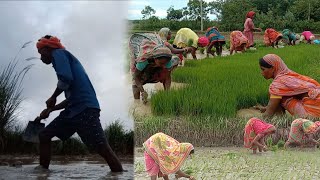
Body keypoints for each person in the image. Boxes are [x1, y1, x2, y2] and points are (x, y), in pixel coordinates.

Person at [34, 35, 123, 172]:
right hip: (74, 110)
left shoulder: (58, 53)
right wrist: (51, 109)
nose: (41, 58)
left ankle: (118, 173)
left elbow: (66, 78)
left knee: (102, 148)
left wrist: (53, 97)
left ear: (47, 49)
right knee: (44, 135)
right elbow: (71, 98)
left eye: (41, 53)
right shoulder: (65, 60)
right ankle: (42, 172)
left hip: (85, 110)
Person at [256, 54, 320, 118]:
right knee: (278, 95)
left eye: (263, 69)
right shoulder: (290, 75)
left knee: (276, 94)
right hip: (316, 105)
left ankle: (280, 118)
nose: (262, 73)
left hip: (313, 113)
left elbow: (268, 114)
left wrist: (254, 120)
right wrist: (267, 107)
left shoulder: (278, 84)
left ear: (273, 68)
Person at [129, 33, 185, 104]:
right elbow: (136, 76)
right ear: (155, 59)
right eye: (161, 63)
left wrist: (167, 93)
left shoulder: (167, 60)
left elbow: (167, 78)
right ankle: (136, 103)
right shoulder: (144, 60)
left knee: (164, 73)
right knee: (135, 84)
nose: (164, 65)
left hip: (154, 67)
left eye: (165, 63)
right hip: (143, 67)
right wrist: (142, 91)